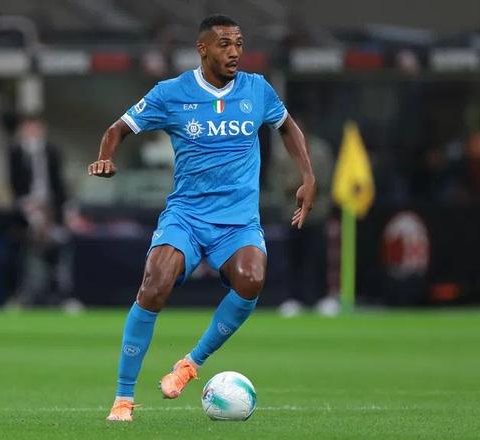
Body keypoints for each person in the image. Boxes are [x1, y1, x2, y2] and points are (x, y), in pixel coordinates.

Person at [88, 14, 316, 422]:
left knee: (252, 279)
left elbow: (287, 127)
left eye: (239, 43)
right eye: (225, 44)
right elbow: (117, 129)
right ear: (203, 49)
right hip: (187, 217)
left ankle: (190, 364)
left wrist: (308, 177)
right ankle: (123, 398)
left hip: (238, 220)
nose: (234, 52)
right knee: (155, 284)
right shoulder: (171, 93)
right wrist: (105, 157)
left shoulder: (257, 89)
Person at [7, 115, 75, 309]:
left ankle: (63, 296)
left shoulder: (52, 152)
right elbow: (14, 184)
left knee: (60, 250)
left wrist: (63, 210)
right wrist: (28, 207)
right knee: (20, 253)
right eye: (28, 128)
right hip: (25, 211)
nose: (32, 132)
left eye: (35, 128)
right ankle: (20, 296)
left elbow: (59, 183)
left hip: (52, 210)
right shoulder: (15, 153)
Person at [271, 122, 335, 317]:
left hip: (316, 213)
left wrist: (304, 184)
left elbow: (326, 179)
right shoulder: (281, 152)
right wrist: (293, 186)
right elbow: (275, 181)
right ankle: (292, 299)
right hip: (291, 213)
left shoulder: (321, 150)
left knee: (318, 258)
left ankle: (322, 298)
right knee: (292, 259)